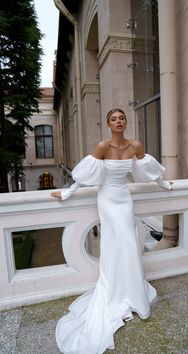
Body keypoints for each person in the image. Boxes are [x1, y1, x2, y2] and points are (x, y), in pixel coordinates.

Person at [51, 108, 172, 354]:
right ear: (108, 124)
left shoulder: (135, 145)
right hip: (106, 199)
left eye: (121, 118)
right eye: (113, 119)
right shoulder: (102, 146)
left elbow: (145, 171)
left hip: (124, 199)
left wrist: (163, 183)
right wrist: (67, 193)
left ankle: (131, 292)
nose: (118, 122)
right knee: (113, 244)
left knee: (128, 243)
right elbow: (85, 176)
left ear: (126, 122)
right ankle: (114, 290)